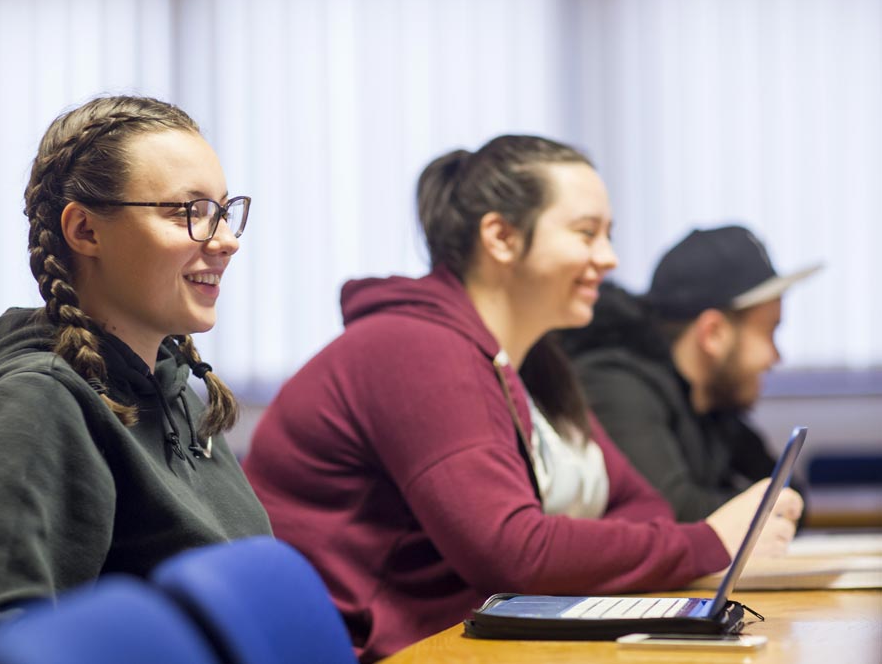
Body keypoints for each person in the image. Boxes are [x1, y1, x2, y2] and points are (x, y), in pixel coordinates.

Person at [242, 136, 802, 662]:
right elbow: (514, 552)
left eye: (608, 234)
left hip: (483, 638)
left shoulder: (533, 359)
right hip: (395, 650)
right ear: (501, 237)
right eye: (586, 233)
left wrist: (592, 546)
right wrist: (707, 541)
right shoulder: (415, 348)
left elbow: (641, 506)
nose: (609, 258)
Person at [0, 96, 272, 663]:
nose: (226, 238)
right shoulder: (34, 406)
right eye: (190, 211)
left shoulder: (175, 391)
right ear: (85, 230)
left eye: (225, 210)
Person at [559, 226, 820, 522]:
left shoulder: (711, 401)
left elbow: (790, 494)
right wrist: (773, 507)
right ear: (713, 333)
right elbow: (671, 515)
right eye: (769, 331)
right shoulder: (617, 385)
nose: (776, 356)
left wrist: (776, 505)